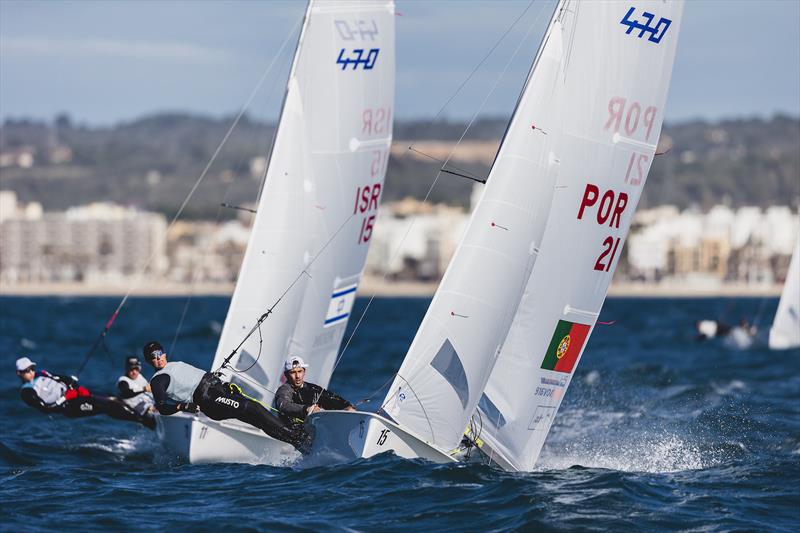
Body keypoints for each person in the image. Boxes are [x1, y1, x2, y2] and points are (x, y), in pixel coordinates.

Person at [143, 341, 303, 450]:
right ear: (149, 361)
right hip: (208, 400)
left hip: (216, 390)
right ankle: (295, 435)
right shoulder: (159, 379)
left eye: (159, 353)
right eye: (153, 357)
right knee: (252, 407)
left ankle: (297, 443)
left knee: (256, 419)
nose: (158, 358)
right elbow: (162, 406)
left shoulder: (174, 365)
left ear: (164, 352)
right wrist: (182, 406)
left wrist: (224, 386)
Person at [15, 356, 156, 430]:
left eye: (32, 368)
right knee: (104, 405)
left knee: (109, 396)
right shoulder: (27, 392)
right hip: (69, 407)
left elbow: (63, 378)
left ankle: (144, 413)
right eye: (27, 371)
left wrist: (73, 385)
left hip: (75, 395)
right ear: (19, 373)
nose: (31, 372)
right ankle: (145, 422)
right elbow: (46, 409)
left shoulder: (41, 373)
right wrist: (65, 397)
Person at [274, 356, 355, 430]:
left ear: (304, 371)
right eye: (293, 372)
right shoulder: (284, 390)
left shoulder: (312, 388)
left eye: (300, 371)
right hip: (290, 431)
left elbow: (330, 398)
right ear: (286, 375)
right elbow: (283, 405)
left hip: (309, 430)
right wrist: (306, 409)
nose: (297, 376)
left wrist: (347, 407)